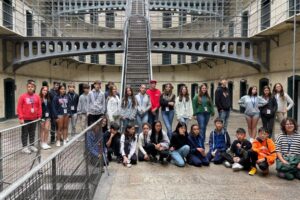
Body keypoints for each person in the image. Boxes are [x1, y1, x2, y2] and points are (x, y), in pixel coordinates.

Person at [17, 80, 42, 154]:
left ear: (34, 88)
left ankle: (31, 145)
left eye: (32, 87)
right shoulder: (22, 97)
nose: (30, 88)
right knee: (25, 133)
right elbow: (19, 107)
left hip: (34, 119)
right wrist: (21, 118)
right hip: (25, 119)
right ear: (27, 88)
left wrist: (39, 116)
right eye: (29, 87)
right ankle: (24, 147)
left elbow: (39, 107)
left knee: (32, 132)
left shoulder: (37, 97)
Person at [39, 86, 52, 150]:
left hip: (48, 116)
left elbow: (49, 108)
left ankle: (45, 142)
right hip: (42, 116)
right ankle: (42, 143)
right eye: (44, 90)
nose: (45, 92)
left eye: (46, 90)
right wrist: (40, 117)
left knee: (47, 129)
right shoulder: (39, 98)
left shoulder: (48, 99)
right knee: (42, 130)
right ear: (41, 91)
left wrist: (50, 116)